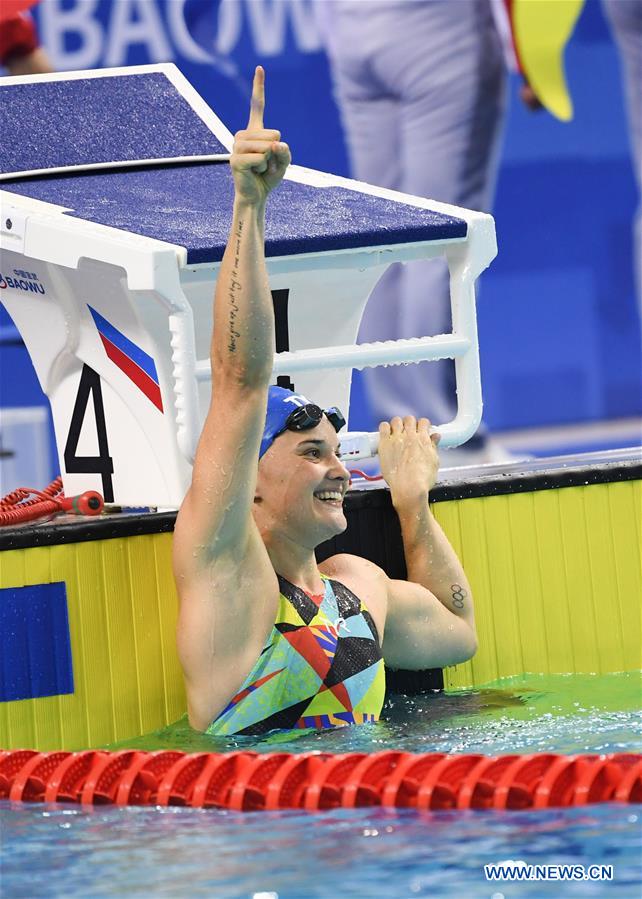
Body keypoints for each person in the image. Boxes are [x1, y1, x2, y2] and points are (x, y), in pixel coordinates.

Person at [172, 68, 477, 737]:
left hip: (360, 827)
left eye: (336, 452)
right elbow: (240, 382)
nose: (339, 469)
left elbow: (457, 631)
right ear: (247, 481)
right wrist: (248, 208)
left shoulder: (356, 585)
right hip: (260, 834)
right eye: (313, 452)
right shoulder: (231, 577)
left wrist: (412, 503)